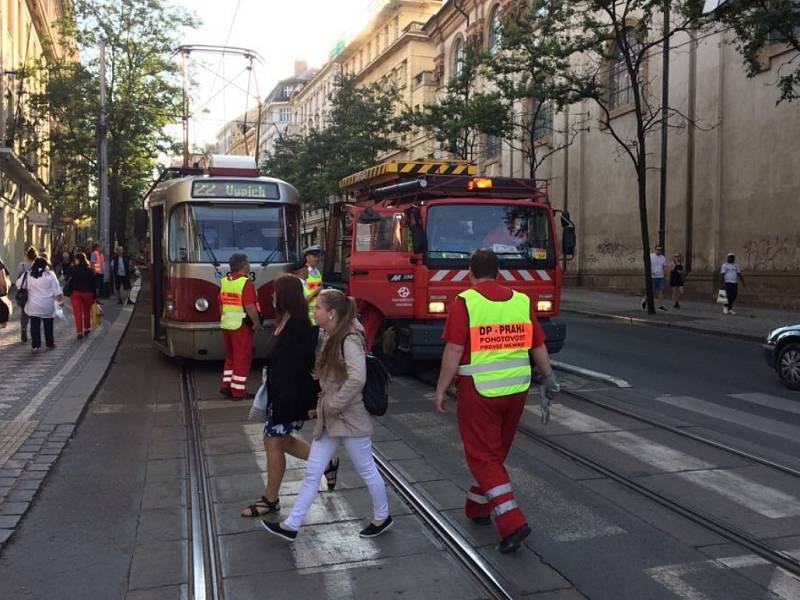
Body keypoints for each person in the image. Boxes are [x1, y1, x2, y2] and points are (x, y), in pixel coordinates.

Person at [434, 249, 560, 554]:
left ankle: (512, 522)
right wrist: (549, 378)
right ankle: (477, 507)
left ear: (470, 273)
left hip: (480, 391)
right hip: (516, 391)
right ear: (500, 272)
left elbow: (453, 350)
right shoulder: (520, 301)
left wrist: (441, 388)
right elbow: (538, 345)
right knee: (494, 452)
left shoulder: (466, 301)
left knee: (482, 457)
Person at [262, 289, 392, 542]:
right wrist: (321, 406)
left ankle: (382, 517)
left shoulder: (348, 339)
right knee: (313, 471)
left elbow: (357, 377)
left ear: (331, 313)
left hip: (349, 418)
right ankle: (291, 525)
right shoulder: (331, 335)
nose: (314, 311)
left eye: (318, 307)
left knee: (366, 469)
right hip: (332, 417)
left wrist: (333, 404)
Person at [240, 274, 332, 518]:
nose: (271, 296)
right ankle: (325, 462)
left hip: (288, 396)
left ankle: (270, 499)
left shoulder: (299, 326)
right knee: (282, 441)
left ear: (285, 296)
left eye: (275, 292)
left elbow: (303, 367)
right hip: (277, 393)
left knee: (272, 442)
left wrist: (308, 403)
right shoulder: (284, 319)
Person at [219, 253, 261, 400]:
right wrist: (256, 322)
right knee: (242, 358)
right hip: (241, 326)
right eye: (248, 262)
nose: (249, 265)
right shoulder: (245, 283)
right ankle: (238, 392)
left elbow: (221, 305)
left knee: (230, 357)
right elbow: (249, 307)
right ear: (244, 265)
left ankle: (226, 386)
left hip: (227, 324)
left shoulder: (225, 281)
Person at [16, 257, 64, 352]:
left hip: (33, 305)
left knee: (34, 325)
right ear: (45, 265)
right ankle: (50, 343)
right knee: (48, 324)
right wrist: (61, 300)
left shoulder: (28, 274)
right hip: (47, 305)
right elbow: (57, 289)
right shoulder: (50, 274)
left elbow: (18, 284)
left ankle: (35, 345)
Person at [68, 252, 97, 339]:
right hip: (88, 293)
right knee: (87, 311)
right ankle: (87, 328)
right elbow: (93, 284)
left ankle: (79, 331)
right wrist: (95, 296)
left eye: (75, 259)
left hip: (76, 293)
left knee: (77, 313)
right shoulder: (90, 270)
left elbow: (67, 278)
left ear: (78, 260)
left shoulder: (74, 269)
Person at [15, 247, 37, 343]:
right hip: (34, 292)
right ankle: (33, 332)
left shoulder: (21, 266)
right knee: (33, 313)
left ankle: (23, 330)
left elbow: (18, 278)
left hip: (24, 292)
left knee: (24, 313)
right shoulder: (36, 265)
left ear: (26, 256)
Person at [300, 245, 323, 325]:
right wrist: (316, 291)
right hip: (306, 315)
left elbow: (320, 287)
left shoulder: (317, 272)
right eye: (315, 256)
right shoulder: (303, 272)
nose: (317, 259)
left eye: (318, 257)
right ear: (307, 257)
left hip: (317, 313)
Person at [642, 245, 668, 311]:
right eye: (657, 249)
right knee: (651, 291)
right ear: (655, 249)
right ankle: (645, 300)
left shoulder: (663, 257)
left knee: (661, 290)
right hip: (652, 276)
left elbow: (664, 267)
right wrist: (650, 272)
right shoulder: (651, 256)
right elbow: (647, 264)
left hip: (660, 276)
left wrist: (665, 275)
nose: (659, 251)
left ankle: (660, 305)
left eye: (660, 250)